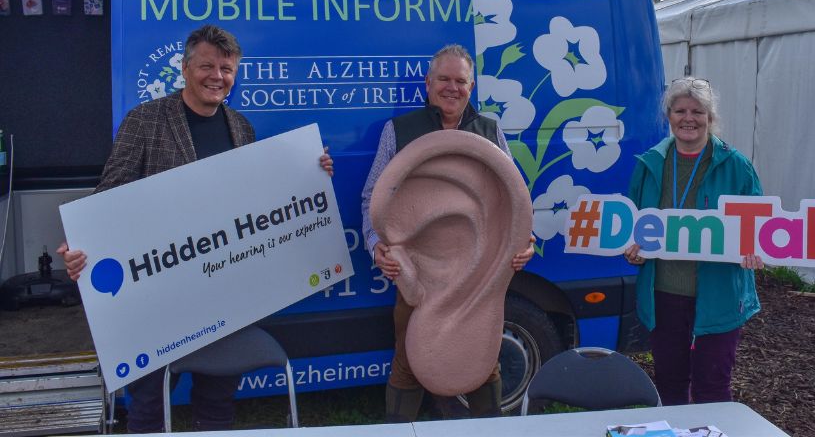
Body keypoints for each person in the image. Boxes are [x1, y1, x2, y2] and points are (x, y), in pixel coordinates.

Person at [56, 24, 334, 432]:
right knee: (149, 405)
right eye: (207, 66)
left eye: (226, 69)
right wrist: (83, 244)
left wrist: (311, 172)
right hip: (154, 294)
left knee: (218, 402)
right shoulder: (145, 120)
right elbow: (110, 194)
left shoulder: (241, 127)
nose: (217, 77)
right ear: (185, 69)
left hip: (221, 291)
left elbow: (256, 203)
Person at [360, 43, 534, 422]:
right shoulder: (399, 130)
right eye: (444, 79)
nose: (452, 87)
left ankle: (491, 432)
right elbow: (373, 196)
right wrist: (377, 248)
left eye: (461, 81)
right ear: (428, 83)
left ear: (471, 87)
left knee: (484, 361)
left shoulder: (489, 131)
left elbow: (513, 197)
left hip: (477, 271)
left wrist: (525, 242)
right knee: (408, 360)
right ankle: (398, 430)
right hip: (421, 272)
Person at [623, 77, 763, 406]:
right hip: (665, 295)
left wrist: (755, 251)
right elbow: (633, 224)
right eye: (680, 110)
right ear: (668, 116)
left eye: (698, 111)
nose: (689, 118)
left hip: (719, 295)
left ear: (710, 117)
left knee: (712, 388)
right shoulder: (649, 164)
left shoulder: (736, 166)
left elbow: (759, 227)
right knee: (670, 385)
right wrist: (633, 250)